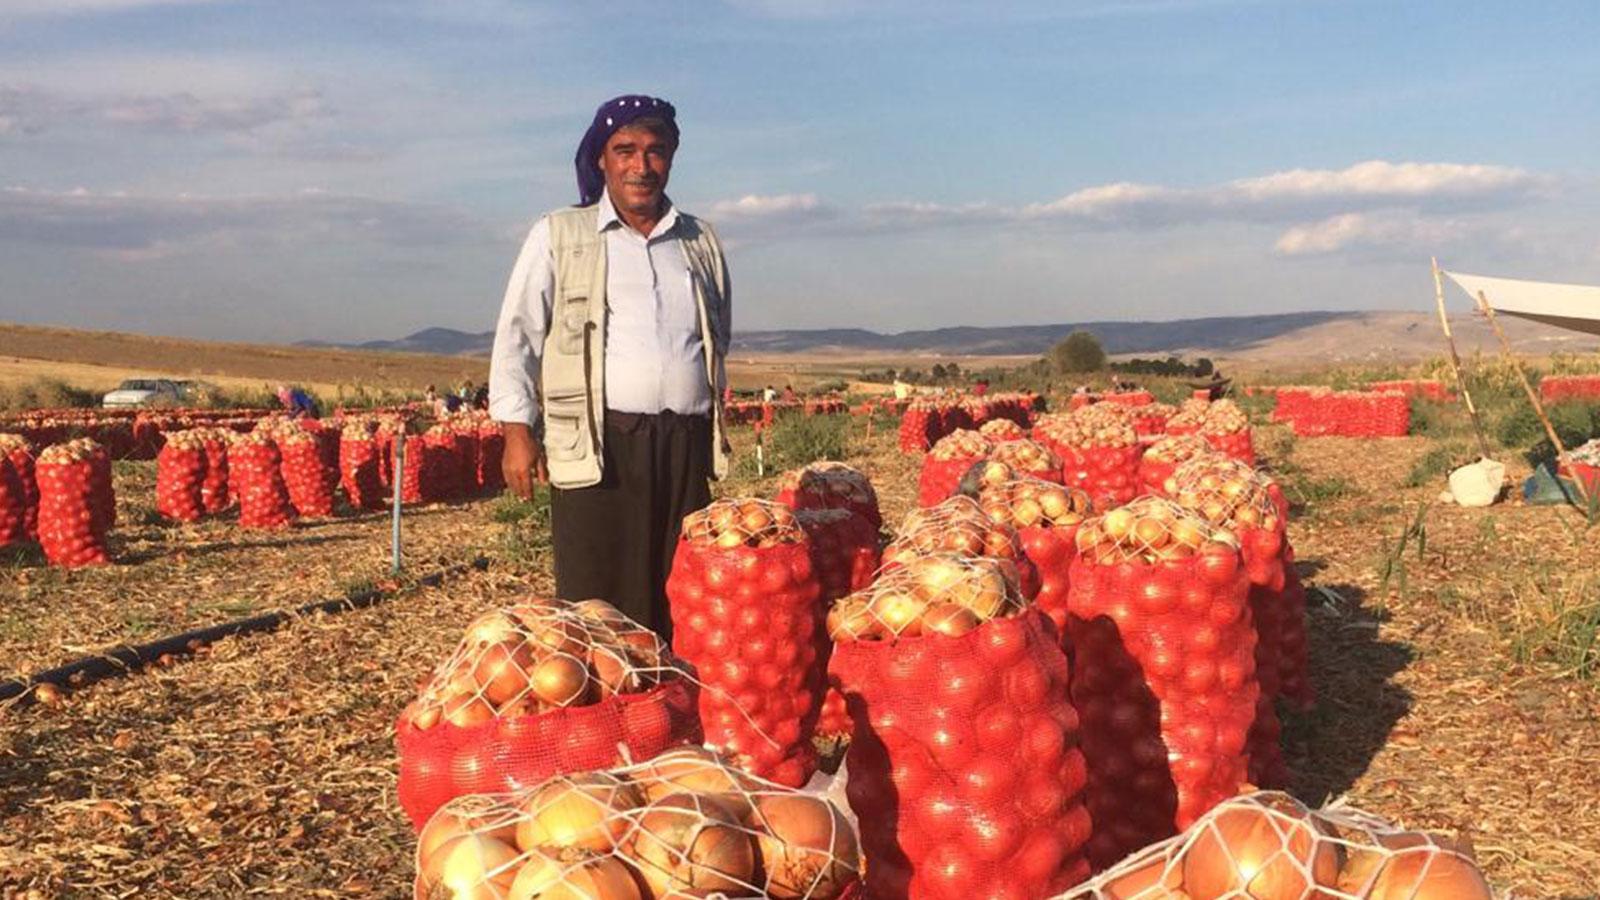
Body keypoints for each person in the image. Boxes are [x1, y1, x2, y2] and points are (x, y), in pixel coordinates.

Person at [490, 94, 730, 639]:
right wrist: (516, 432)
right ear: (601, 158)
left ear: (671, 158)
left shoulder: (699, 241)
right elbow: (518, 334)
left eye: (655, 151)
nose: (641, 166)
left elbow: (718, 334)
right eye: (625, 150)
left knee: (683, 588)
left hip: (685, 444)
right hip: (601, 442)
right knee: (598, 595)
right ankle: (611, 716)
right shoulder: (559, 234)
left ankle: (674, 708)